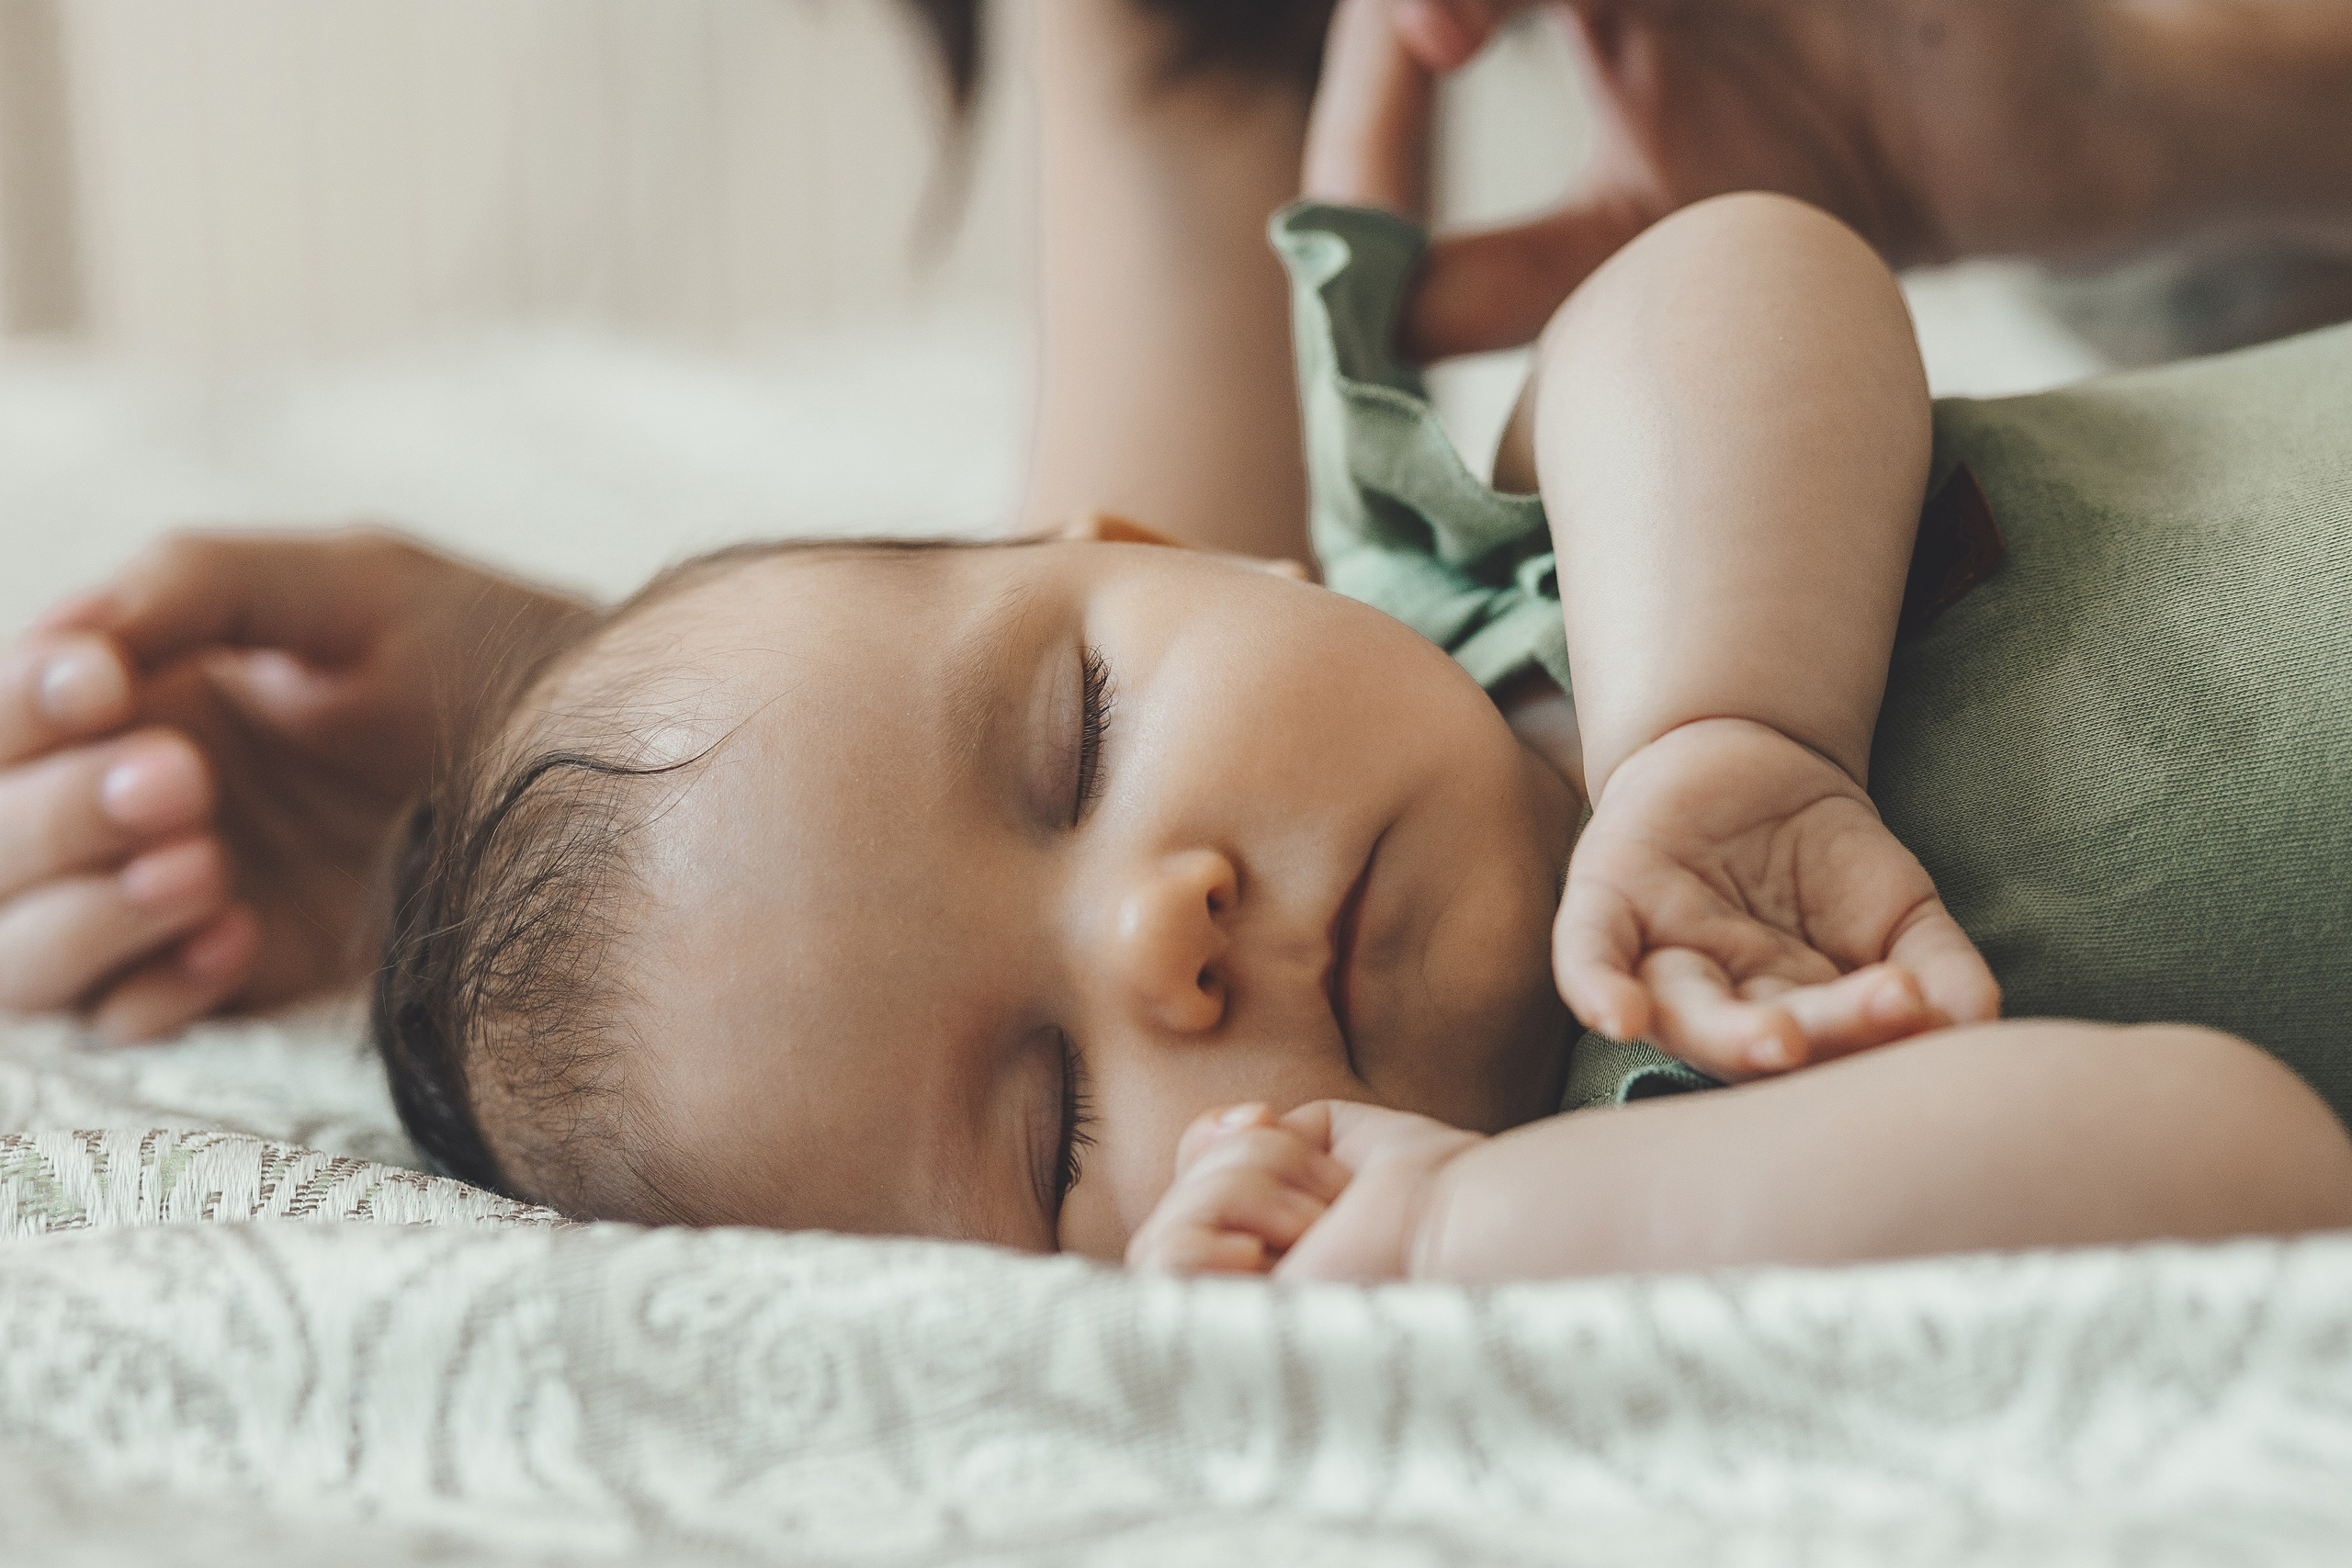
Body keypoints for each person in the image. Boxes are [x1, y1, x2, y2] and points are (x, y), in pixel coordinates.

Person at [0, 0, 2346, 1240]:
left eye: (1084, 739)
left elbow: (1742, 285)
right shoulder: (1632, 1155)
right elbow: (2234, 1163)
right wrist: (1463, 1264)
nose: (1163, 936)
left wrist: (1720, 720)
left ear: (1186, 542)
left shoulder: (1508, 573)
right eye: (1049, 1134)